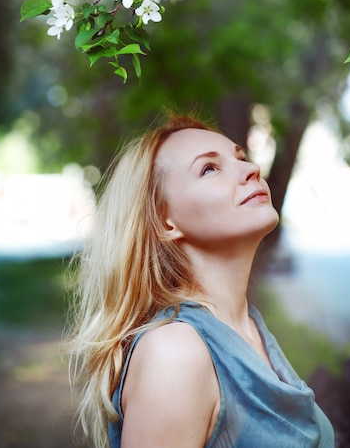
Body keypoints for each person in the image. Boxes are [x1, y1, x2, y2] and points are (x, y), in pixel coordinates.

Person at [68, 113, 335, 448]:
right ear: (166, 223)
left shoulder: (249, 327)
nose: (250, 169)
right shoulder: (174, 353)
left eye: (239, 157)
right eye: (209, 168)